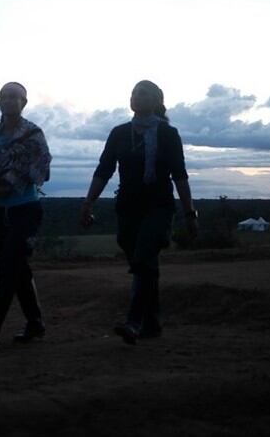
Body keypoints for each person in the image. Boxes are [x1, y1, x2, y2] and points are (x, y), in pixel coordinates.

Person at [80, 80, 197, 345]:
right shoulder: (119, 133)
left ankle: (134, 322)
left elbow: (180, 176)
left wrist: (189, 213)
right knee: (144, 264)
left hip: (159, 206)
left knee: (144, 258)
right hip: (128, 207)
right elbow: (104, 170)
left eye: (143, 94)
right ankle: (153, 323)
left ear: (156, 101)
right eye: (133, 93)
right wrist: (88, 202)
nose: (136, 97)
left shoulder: (168, 134)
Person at [0, 82, 51, 353]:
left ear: (24, 102)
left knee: (8, 271)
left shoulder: (33, 135)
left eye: (14, 97)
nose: (9, 101)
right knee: (17, 270)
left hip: (25, 208)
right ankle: (35, 323)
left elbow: (40, 166)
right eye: (4, 96)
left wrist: (11, 183)